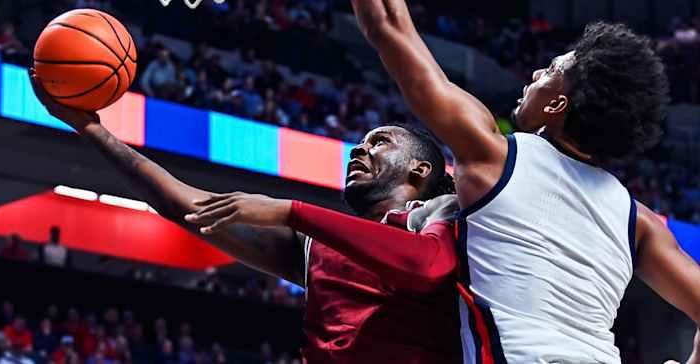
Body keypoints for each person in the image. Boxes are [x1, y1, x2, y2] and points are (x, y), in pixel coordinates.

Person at [316, 0, 700, 363]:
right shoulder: (640, 221)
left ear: (560, 106)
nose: (537, 73)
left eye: (553, 71)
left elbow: (388, 26)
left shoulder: (493, 152)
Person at [30, 70, 462, 363]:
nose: (359, 149)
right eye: (362, 142)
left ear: (420, 170)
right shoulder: (317, 247)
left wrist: (291, 212)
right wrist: (93, 131)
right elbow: (186, 206)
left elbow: (425, 265)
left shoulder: (447, 215)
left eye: (379, 142)